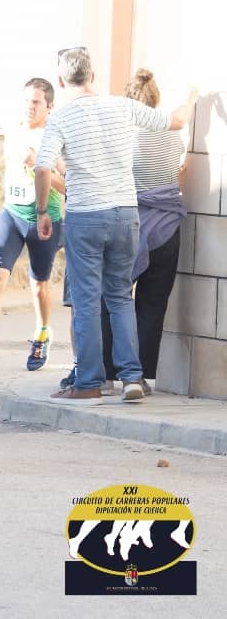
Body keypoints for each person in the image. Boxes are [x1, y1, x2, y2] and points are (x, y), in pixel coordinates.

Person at [34, 48, 193, 405]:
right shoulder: (123, 107)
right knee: (121, 296)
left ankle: (90, 382)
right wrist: (195, 94)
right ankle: (133, 378)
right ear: (93, 75)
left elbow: (43, 168)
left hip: (86, 216)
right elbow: (175, 121)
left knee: (88, 301)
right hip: (125, 214)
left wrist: (43, 211)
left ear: (61, 81)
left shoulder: (61, 118)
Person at [0, 78, 65, 377]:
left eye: (36, 102)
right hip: (12, 214)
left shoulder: (54, 138)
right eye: (26, 100)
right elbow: (11, 154)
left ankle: (42, 333)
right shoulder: (16, 128)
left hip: (43, 219)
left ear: (49, 106)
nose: (29, 107)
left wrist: (37, 165)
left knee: (39, 285)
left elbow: (67, 184)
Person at [99, 69, 188, 395]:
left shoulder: (123, 135)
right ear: (155, 99)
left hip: (128, 227)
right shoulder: (173, 136)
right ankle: (142, 378)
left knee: (111, 299)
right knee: (152, 305)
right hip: (166, 230)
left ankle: (107, 374)